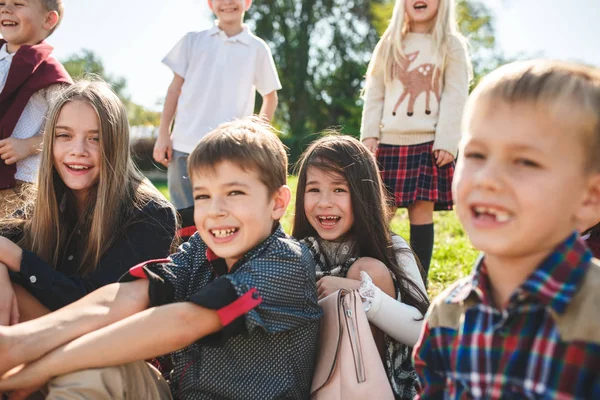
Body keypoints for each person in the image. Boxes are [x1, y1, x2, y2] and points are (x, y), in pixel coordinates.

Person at [0, 118, 322, 400]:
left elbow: (184, 321)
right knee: (96, 369)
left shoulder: (284, 262)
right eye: (203, 196)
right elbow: (130, 295)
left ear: (277, 202)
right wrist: (21, 342)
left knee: (83, 362)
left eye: (235, 193)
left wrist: (34, 369)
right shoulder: (200, 247)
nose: (215, 211)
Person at [413, 60, 600, 398]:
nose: (487, 179)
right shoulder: (446, 315)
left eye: (525, 161)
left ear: (589, 197)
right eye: (476, 154)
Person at [0, 81, 176, 325]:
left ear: (116, 144)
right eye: (64, 136)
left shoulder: (151, 214)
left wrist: (16, 257)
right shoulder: (46, 201)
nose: (78, 150)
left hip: (106, 352)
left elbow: (95, 308)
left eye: (95, 138)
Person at [292, 134, 429, 399]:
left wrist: (359, 292)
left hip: (372, 381)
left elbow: (421, 333)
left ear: (363, 193)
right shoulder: (296, 251)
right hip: (312, 382)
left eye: (339, 189)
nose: (324, 202)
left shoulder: (392, 248)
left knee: (369, 269)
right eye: (314, 189)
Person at [360, 0, 471, 278]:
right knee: (380, 215)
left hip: (428, 143)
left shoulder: (451, 45)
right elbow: (375, 92)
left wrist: (447, 140)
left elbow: (456, 95)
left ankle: (417, 284)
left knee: (421, 214)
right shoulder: (390, 43)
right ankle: (377, 277)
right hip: (387, 143)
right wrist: (370, 135)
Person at [153, 0, 282, 209]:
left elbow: (270, 97)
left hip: (231, 149)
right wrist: (163, 134)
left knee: (226, 210)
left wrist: (255, 135)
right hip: (184, 146)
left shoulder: (257, 48)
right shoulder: (192, 41)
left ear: (247, 2)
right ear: (210, 3)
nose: (228, 3)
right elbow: (174, 90)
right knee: (184, 214)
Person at [0, 0, 72, 215]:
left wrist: (30, 145)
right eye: (2, 3)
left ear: (48, 19)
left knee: (9, 241)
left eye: (18, 3)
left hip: (20, 183)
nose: (5, 9)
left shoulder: (50, 72)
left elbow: (71, 130)